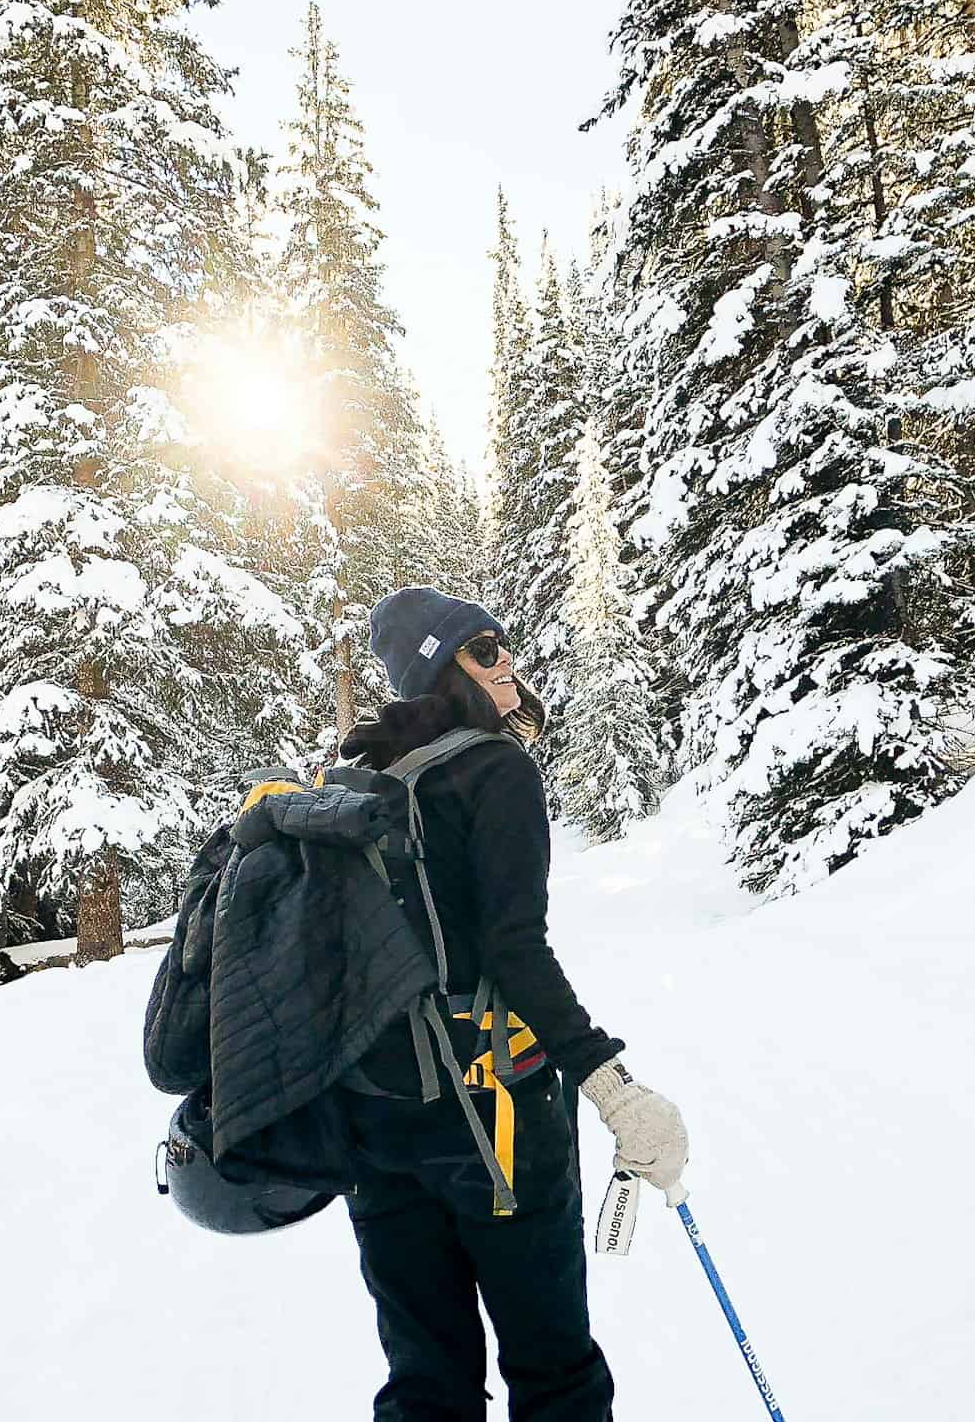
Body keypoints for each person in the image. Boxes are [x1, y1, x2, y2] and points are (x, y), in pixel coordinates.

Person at [337, 584, 689, 1422]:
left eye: (503, 644)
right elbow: (514, 948)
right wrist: (612, 1087)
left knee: (425, 1381)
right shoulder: (494, 769)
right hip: (496, 1117)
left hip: (376, 1127)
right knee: (555, 1372)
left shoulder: (355, 782)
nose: (508, 662)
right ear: (446, 671)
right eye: (486, 649)